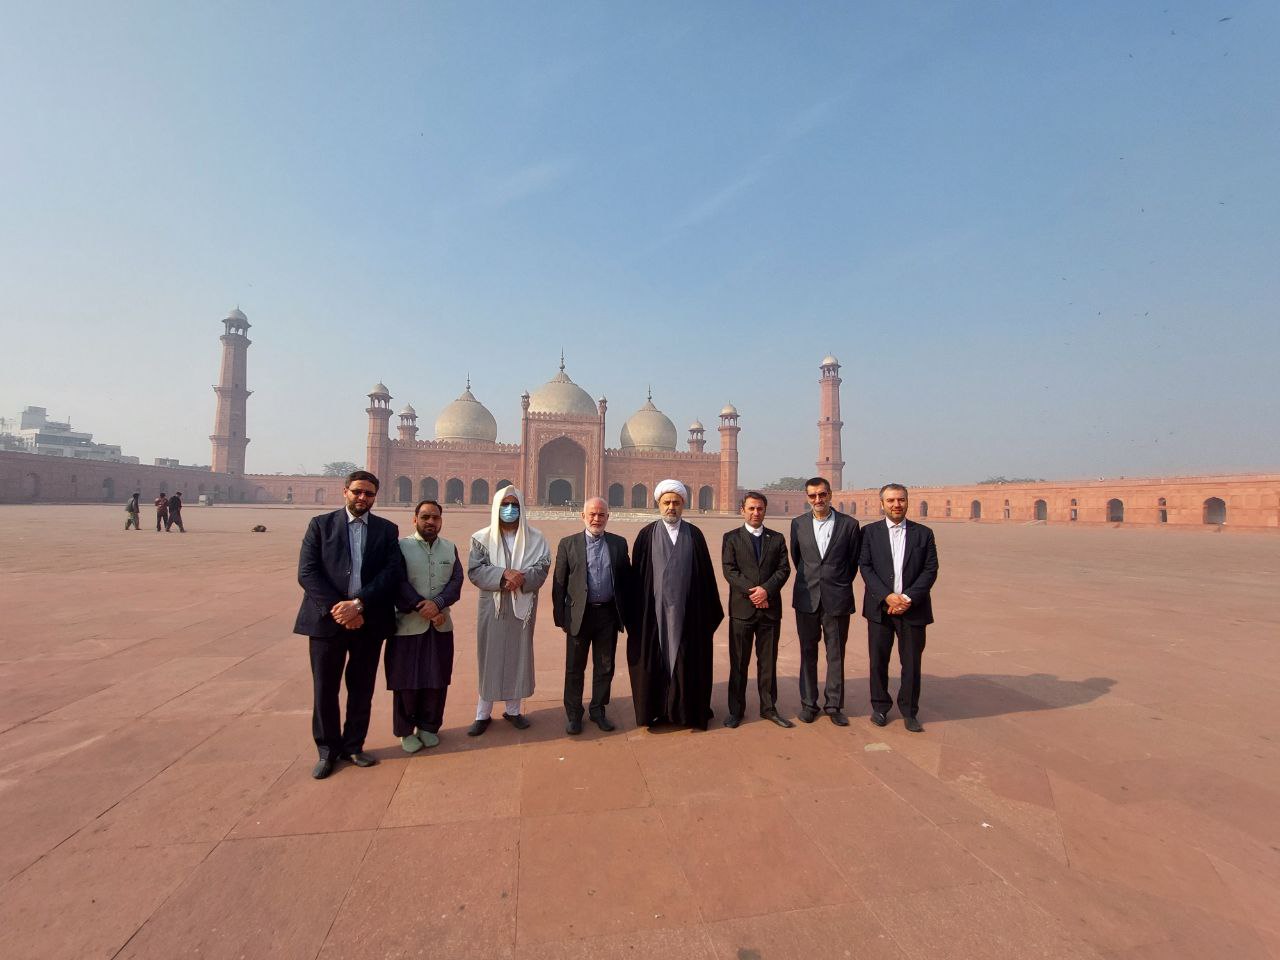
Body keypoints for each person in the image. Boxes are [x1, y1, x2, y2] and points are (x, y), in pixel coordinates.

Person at [294, 470, 404, 779]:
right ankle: (327, 750)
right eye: (357, 491)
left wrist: (358, 605)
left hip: (368, 619)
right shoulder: (321, 525)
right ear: (345, 492)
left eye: (368, 493)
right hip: (327, 621)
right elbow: (308, 573)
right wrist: (339, 608)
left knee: (361, 687)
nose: (362, 497)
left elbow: (391, 572)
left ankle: (354, 745)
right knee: (325, 689)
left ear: (375, 496)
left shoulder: (386, 530)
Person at [626, 479, 724, 731]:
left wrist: (705, 614)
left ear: (683, 505)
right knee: (654, 660)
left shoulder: (694, 535)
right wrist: (636, 616)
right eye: (667, 502)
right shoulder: (646, 535)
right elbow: (637, 579)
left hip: (688, 613)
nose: (671, 507)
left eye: (676, 502)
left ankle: (686, 711)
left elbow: (706, 577)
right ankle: (656, 710)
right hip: (655, 615)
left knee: (688, 660)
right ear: (658, 504)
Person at [466, 486, 550, 736]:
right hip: (493, 605)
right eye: (505, 504)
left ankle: (513, 710)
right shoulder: (482, 538)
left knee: (518, 654)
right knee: (490, 656)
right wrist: (503, 575)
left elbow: (543, 567)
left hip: (522, 606)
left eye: (514, 505)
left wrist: (520, 579)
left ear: (521, 508)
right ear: (497, 508)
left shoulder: (536, 539)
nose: (510, 509)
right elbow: (475, 570)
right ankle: (482, 714)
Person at [859, 483, 938, 733]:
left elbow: (930, 570)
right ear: (881, 504)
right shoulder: (869, 532)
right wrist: (887, 597)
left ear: (907, 502)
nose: (896, 505)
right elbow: (865, 567)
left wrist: (905, 598)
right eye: (891, 500)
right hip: (880, 608)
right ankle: (880, 706)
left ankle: (909, 710)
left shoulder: (923, 534)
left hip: (913, 608)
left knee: (912, 663)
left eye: (901, 500)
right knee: (878, 661)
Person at [389, 499, 463, 753]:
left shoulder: (449, 548)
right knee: (406, 680)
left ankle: (429, 726)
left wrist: (438, 604)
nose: (430, 522)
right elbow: (397, 583)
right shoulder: (400, 547)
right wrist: (423, 607)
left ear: (441, 521)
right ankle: (405, 730)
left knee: (437, 677)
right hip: (408, 625)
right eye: (425, 517)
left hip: (441, 625)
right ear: (415, 520)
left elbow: (456, 582)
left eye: (435, 517)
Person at [552, 496, 631, 735]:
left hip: (607, 614)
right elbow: (559, 583)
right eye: (592, 514)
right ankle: (574, 714)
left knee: (605, 666)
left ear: (608, 517)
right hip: (580, 615)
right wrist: (561, 617)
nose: (597, 519)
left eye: (601, 515)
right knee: (574, 668)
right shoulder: (568, 544)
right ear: (583, 516)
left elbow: (627, 580)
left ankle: (598, 709)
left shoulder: (618, 544)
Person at [790, 476, 861, 726]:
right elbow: (797, 558)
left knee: (836, 654)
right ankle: (809, 704)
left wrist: (835, 582)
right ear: (807, 498)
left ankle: (834, 705)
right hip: (807, 598)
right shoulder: (798, 524)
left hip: (837, 598)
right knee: (807, 652)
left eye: (822, 494)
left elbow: (853, 562)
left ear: (830, 494)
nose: (818, 499)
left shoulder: (849, 525)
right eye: (813, 495)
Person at [721, 491, 792, 728]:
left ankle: (769, 708)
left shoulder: (777, 538)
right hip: (742, 610)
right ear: (742, 510)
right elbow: (730, 570)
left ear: (765, 510)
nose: (755, 513)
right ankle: (736, 710)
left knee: (768, 662)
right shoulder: (731, 538)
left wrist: (766, 591)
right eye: (751, 508)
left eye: (759, 508)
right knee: (739, 663)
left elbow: (784, 569)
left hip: (769, 610)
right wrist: (754, 592)